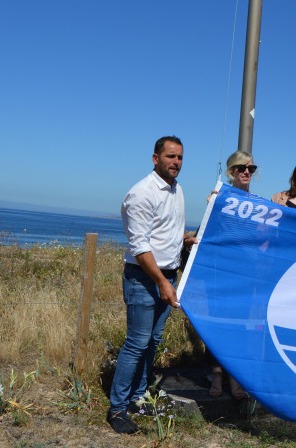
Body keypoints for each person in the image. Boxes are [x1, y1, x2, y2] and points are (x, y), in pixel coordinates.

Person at [108, 136, 196, 435]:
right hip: (145, 279)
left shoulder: (177, 189)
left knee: (153, 342)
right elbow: (141, 247)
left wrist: (185, 239)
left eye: (180, 157)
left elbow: (165, 231)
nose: (176, 162)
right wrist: (161, 282)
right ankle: (117, 409)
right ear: (155, 158)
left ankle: (137, 398)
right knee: (136, 343)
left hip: (166, 276)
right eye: (171, 156)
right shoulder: (141, 194)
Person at [205, 149, 257, 399]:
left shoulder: (258, 203)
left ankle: (236, 377)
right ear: (231, 172)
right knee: (216, 325)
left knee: (240, 328)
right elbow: (207, 232)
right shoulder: (219, 198)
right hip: (220, 273)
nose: (246, 172)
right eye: (241, 168)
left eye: (250, 169)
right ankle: (217, 377)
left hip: (245, 275)